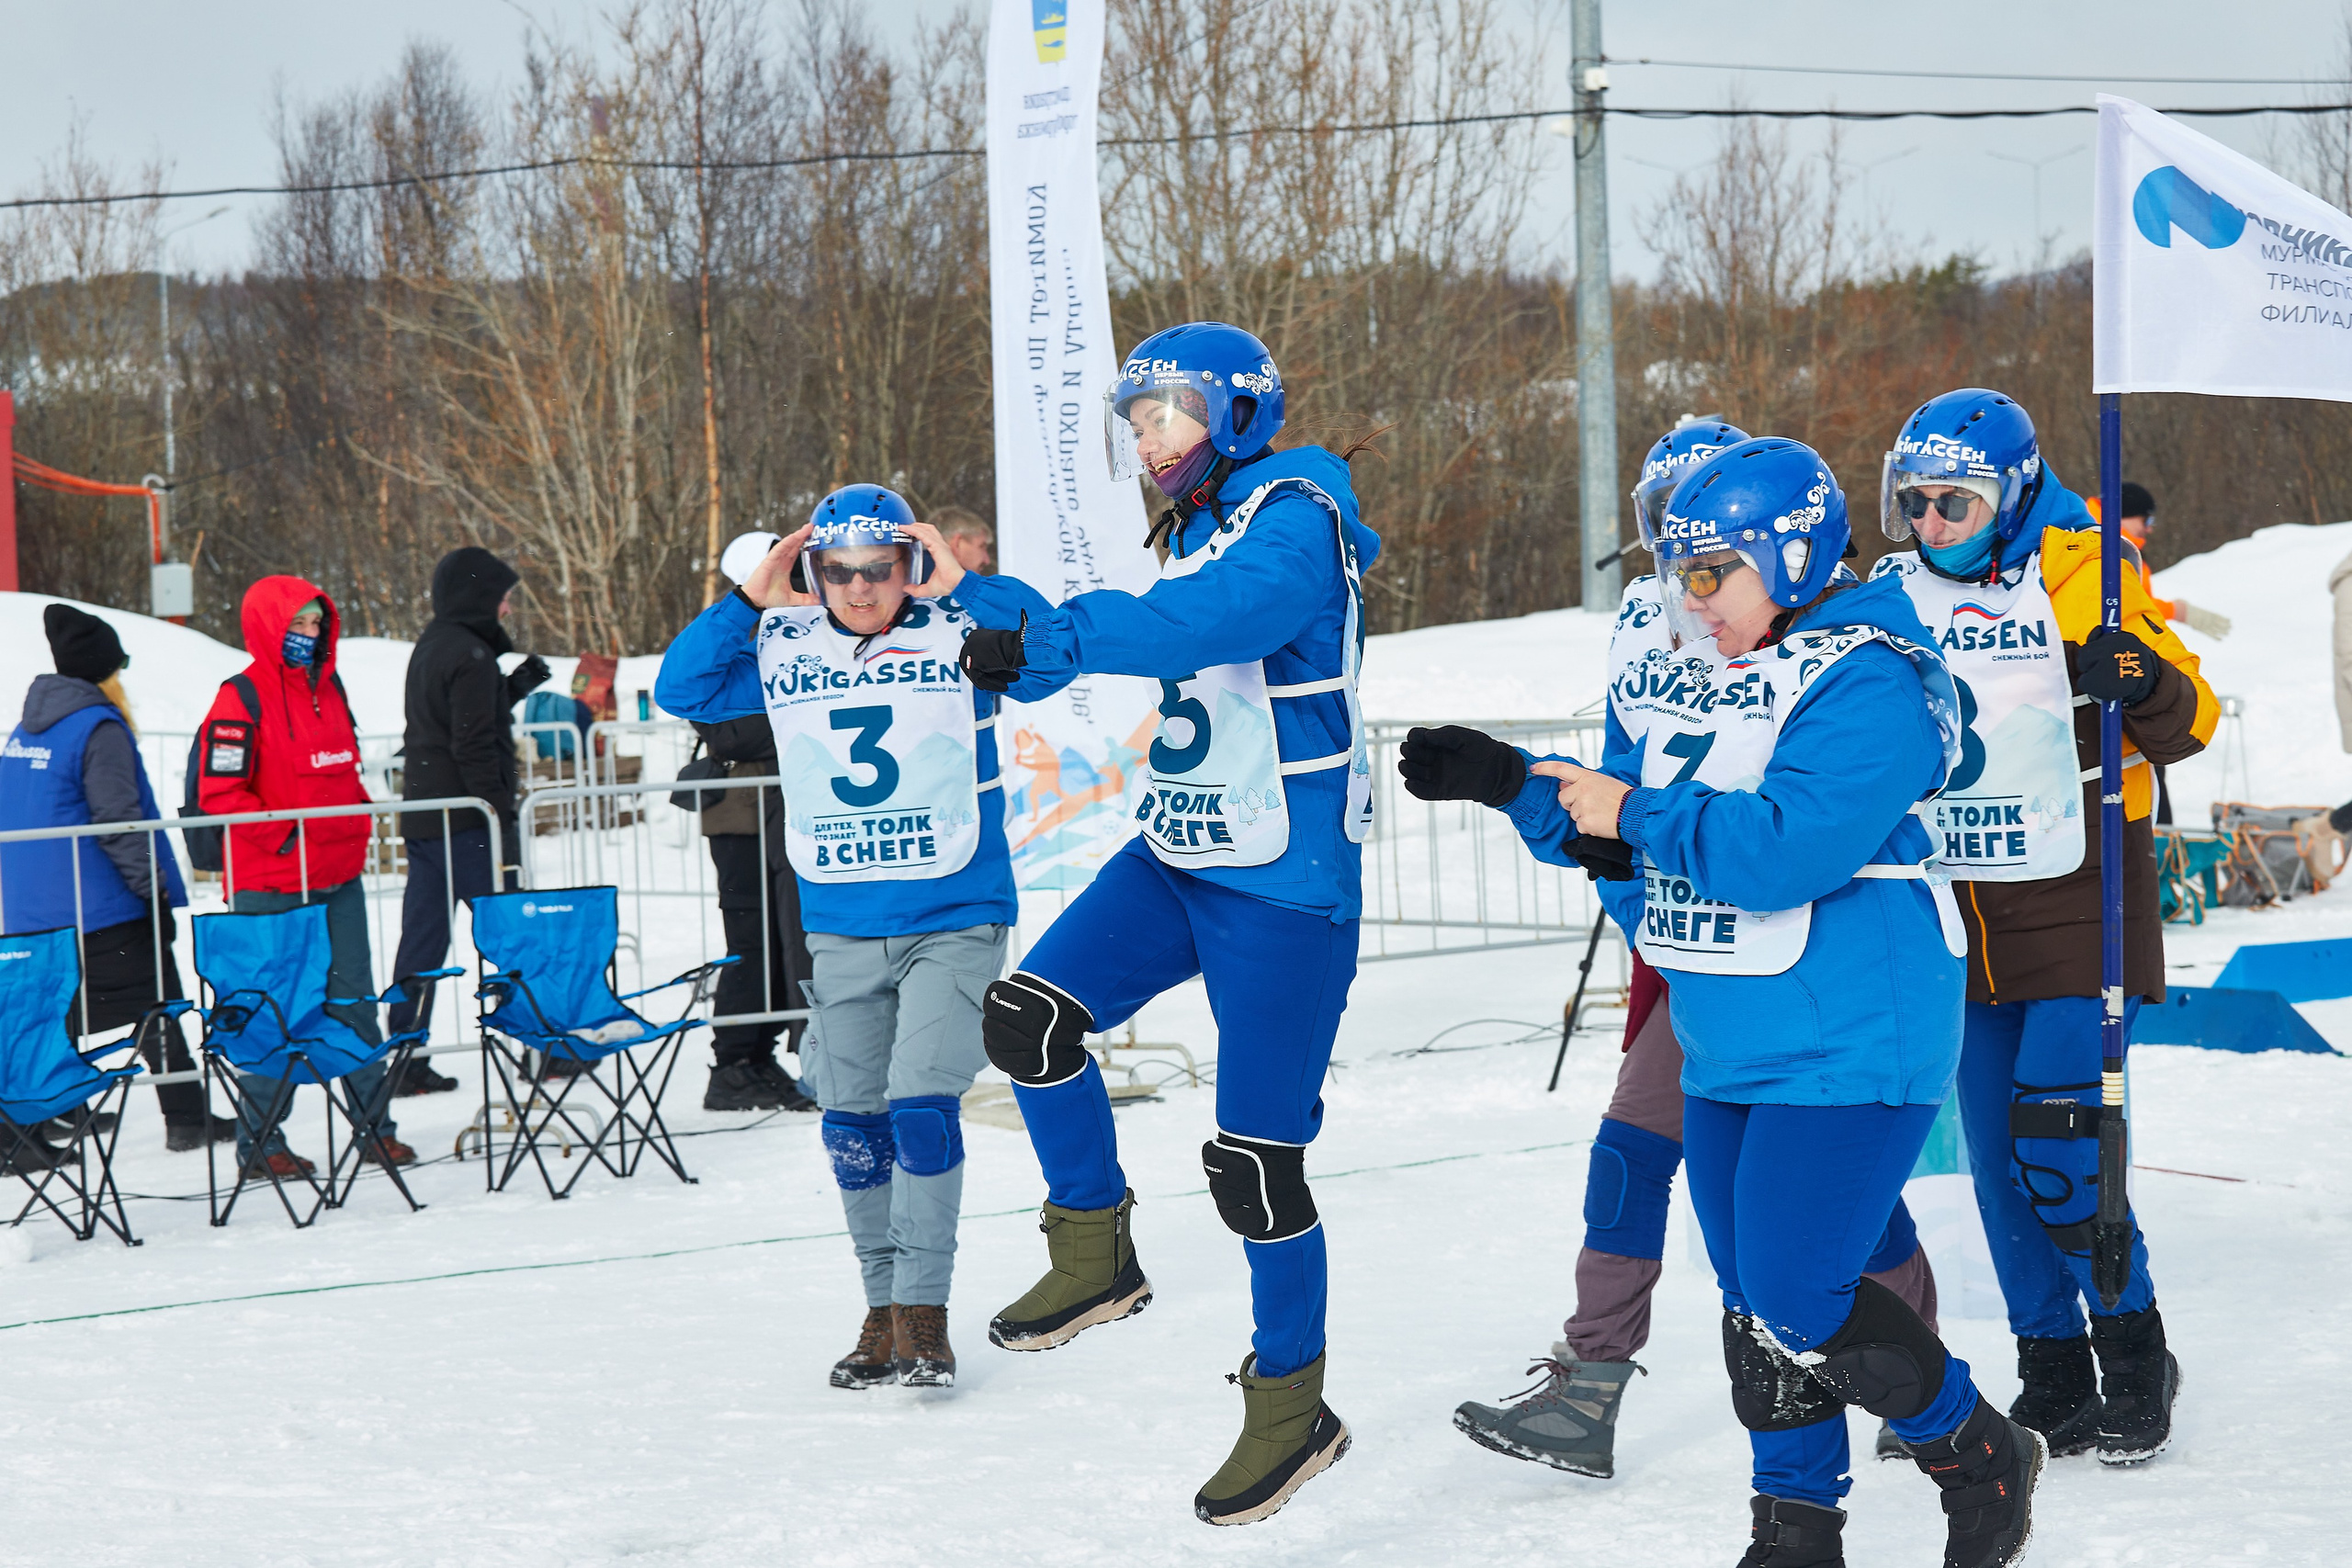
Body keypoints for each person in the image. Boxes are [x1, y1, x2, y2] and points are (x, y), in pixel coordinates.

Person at [1404, 437, 2039, 1567]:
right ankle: (1794, 1525)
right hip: (1729, 1029)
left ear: (1788, 556)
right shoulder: (1717, 666)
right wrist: (1513, 783)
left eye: (1709, 573)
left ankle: (1975, 1448)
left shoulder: (1870, 676)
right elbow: (1631, 828)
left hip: (1850, 1031)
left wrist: (1632, 812)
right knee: (1754, 1298)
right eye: (1673, 574)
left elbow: (1779, 850)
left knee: (1797, 1288)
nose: (1687, 601)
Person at [952, 321, 1376, 1527]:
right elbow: (1050, 663)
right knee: (1027, 1022)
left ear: (1238, 414)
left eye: (1168, 414)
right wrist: (976, 601)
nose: (1148, 441)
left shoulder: (1295, 517)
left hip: (1284, 884)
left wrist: (1065, 632)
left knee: (1255, 1166)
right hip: (1184, 848)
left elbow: (1209, 626)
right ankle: (1098, 1250)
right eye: (1134, 420)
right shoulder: (1195, 521)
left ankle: (1293, 1398)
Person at [1873, 389, 2215, 1470]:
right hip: (1960, 904)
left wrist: (2137, 674)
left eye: (1957, 504)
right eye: (1915, 504)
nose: (1934, 526)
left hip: (2079, 888)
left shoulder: (2085, 566)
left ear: (2012, 495)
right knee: (1994, 1161)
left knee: (2060, 1148)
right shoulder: (1894, 589)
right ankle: (2051, 1364)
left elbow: (2192, 715)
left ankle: (2133, 1345)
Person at [658, 487, 1038, 1390]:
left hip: (952, 912)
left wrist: (969, 585)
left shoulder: (960, 633)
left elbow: (1049, 651)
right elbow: (683, 688)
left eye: (879, 568)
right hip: (840, 921)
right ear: (813, 570)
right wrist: (747, 602)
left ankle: (925, 1314)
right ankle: (881, 1311)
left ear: (909, 564)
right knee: (852, 1118)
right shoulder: (782, 643)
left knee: (918, 1100)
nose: (861, 589)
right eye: (839, 571)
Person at [196, 578, 417, 1178]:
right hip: (271, 885)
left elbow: (341, 772)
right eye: (298, 625)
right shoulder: (239, 697)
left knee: (355, 1007)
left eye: (318, 624)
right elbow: (219, 791)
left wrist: (357, 817)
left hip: (338, 876)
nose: (310, 635)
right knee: (275, 1014)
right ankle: (260, 1144)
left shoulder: (332, 686)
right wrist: (289, 836)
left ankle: (376, 1130)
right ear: (271, 627)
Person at [0, 605, 232, 1155]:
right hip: (100, 907)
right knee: (159, 1000)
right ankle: (184, 1115)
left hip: (34, 912)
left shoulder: (24, 731)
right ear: (104, 672)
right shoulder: (99, 728)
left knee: (54, 1013)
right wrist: (153, 892)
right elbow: (120, 823)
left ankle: (50, 1112)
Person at [385, 547, 549, 1090]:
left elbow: (451, 722)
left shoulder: (434, 645)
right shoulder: (472, 655)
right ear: (478, 598)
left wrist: (512, 689)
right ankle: (540, 1045)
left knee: (423, 942)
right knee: (511, 935)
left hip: (428, 817)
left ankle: (405, 1052)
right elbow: (473, 742)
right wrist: (498, 812)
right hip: (470, 824)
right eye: (502, 597)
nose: (506, 609)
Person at [688, 531, 817, 1114]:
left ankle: (756, 1054)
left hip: (772, 809)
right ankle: (735, 1061)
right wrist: (798, 717)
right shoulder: (725, 635)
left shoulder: (787, 628)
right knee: (750, 942)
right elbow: (723, 728)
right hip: (740, 818)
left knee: (779, 940)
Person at [928, 506, 995, 575]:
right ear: (957, 545)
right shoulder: (944, 584)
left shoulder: (919, 575)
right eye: (981, 546)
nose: (987, 561)